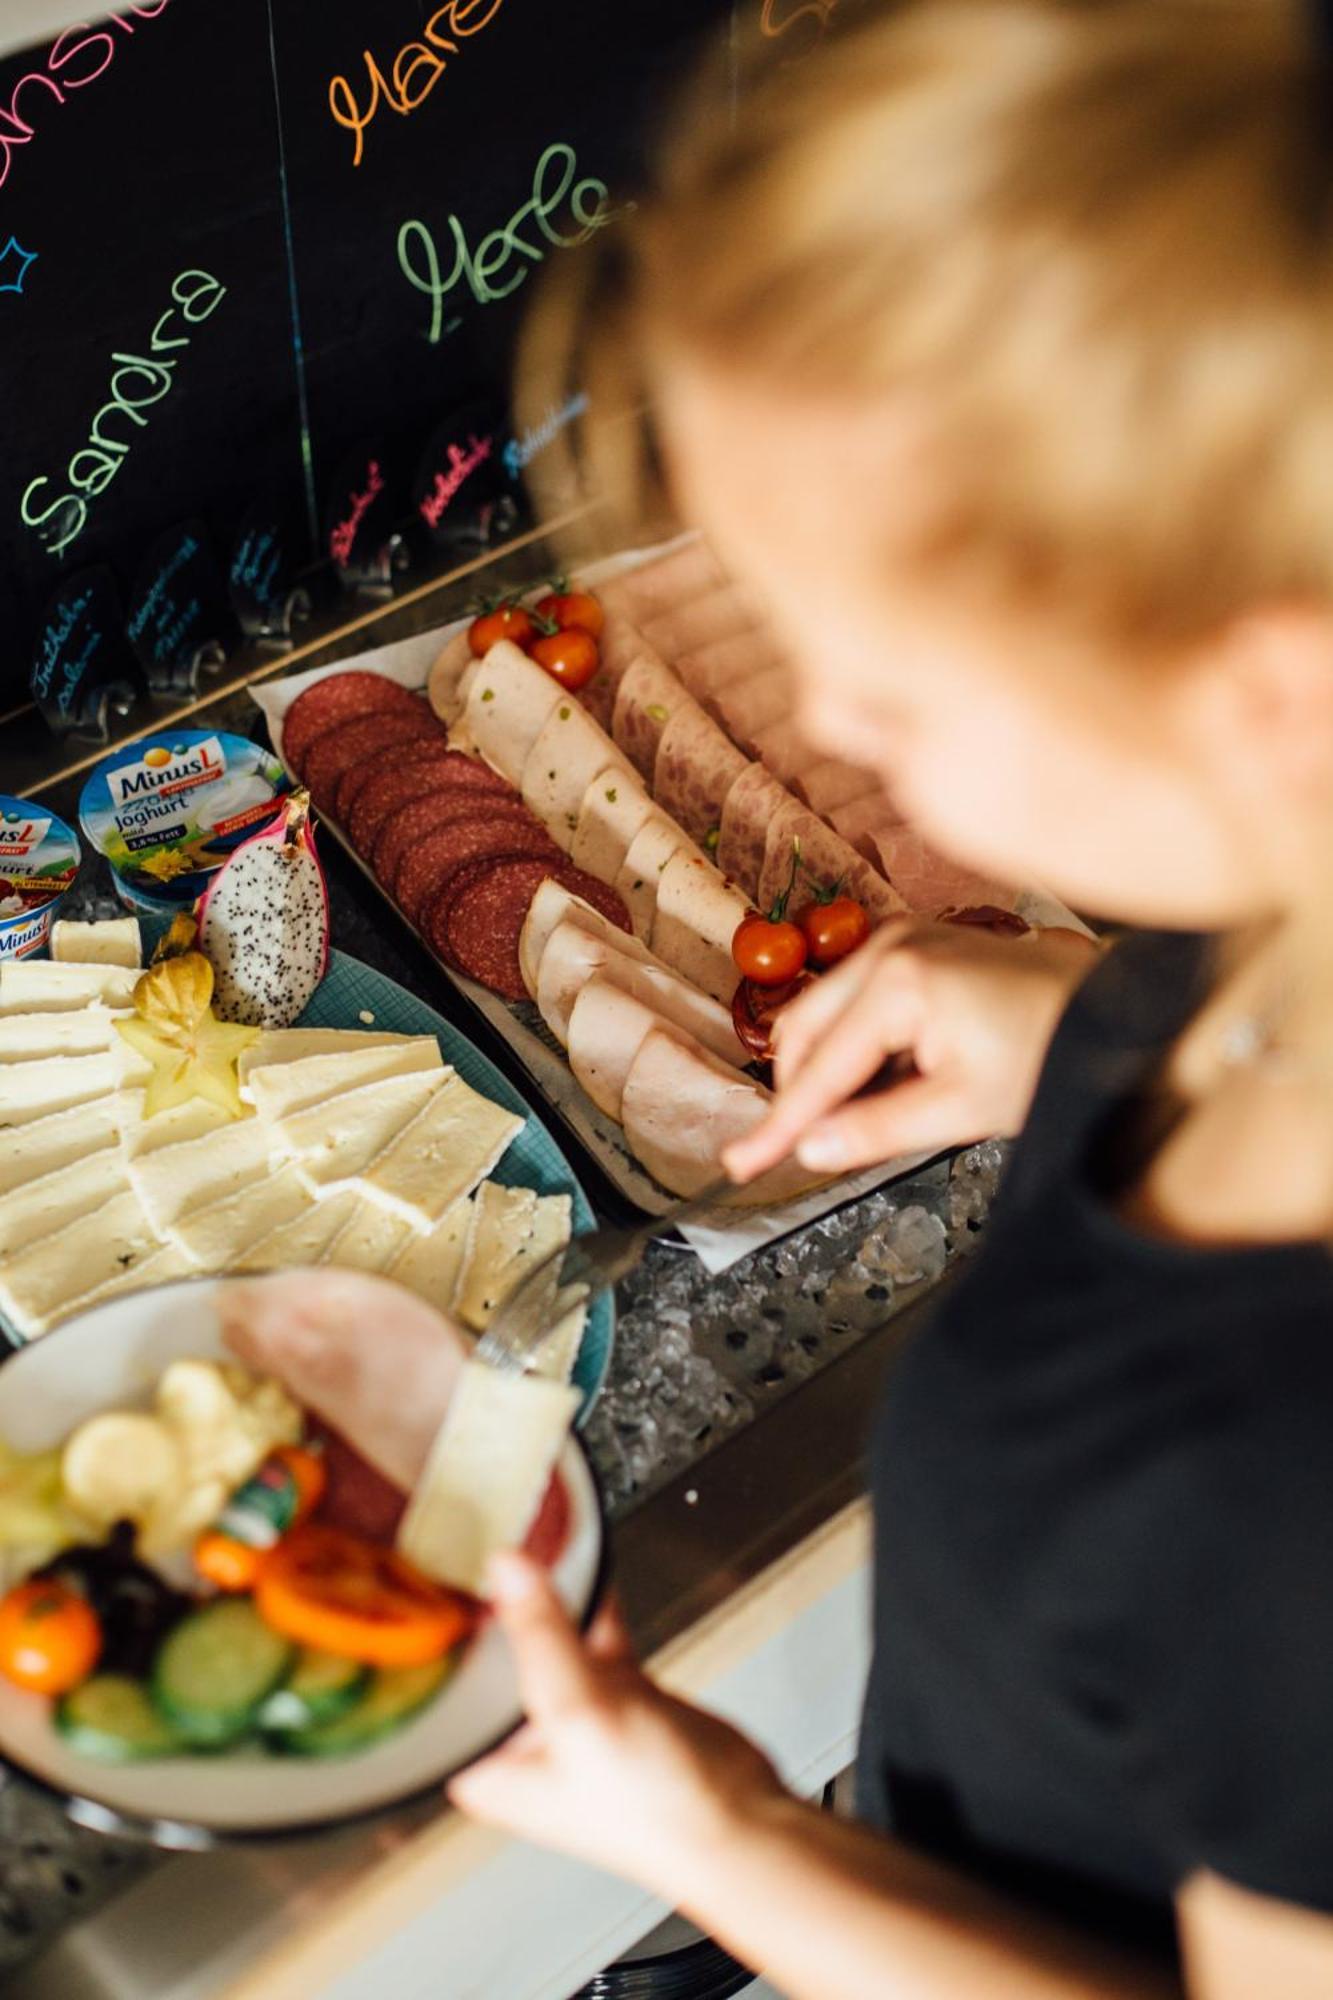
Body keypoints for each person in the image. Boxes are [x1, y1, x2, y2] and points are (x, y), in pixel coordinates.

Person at [441, 1, 1333, 1992]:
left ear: (1268, 695)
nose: (830, 721)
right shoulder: (1271, 936)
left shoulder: (1286, 1493)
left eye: (896, 685)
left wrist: (720, 1836)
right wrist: (1084, 1026)